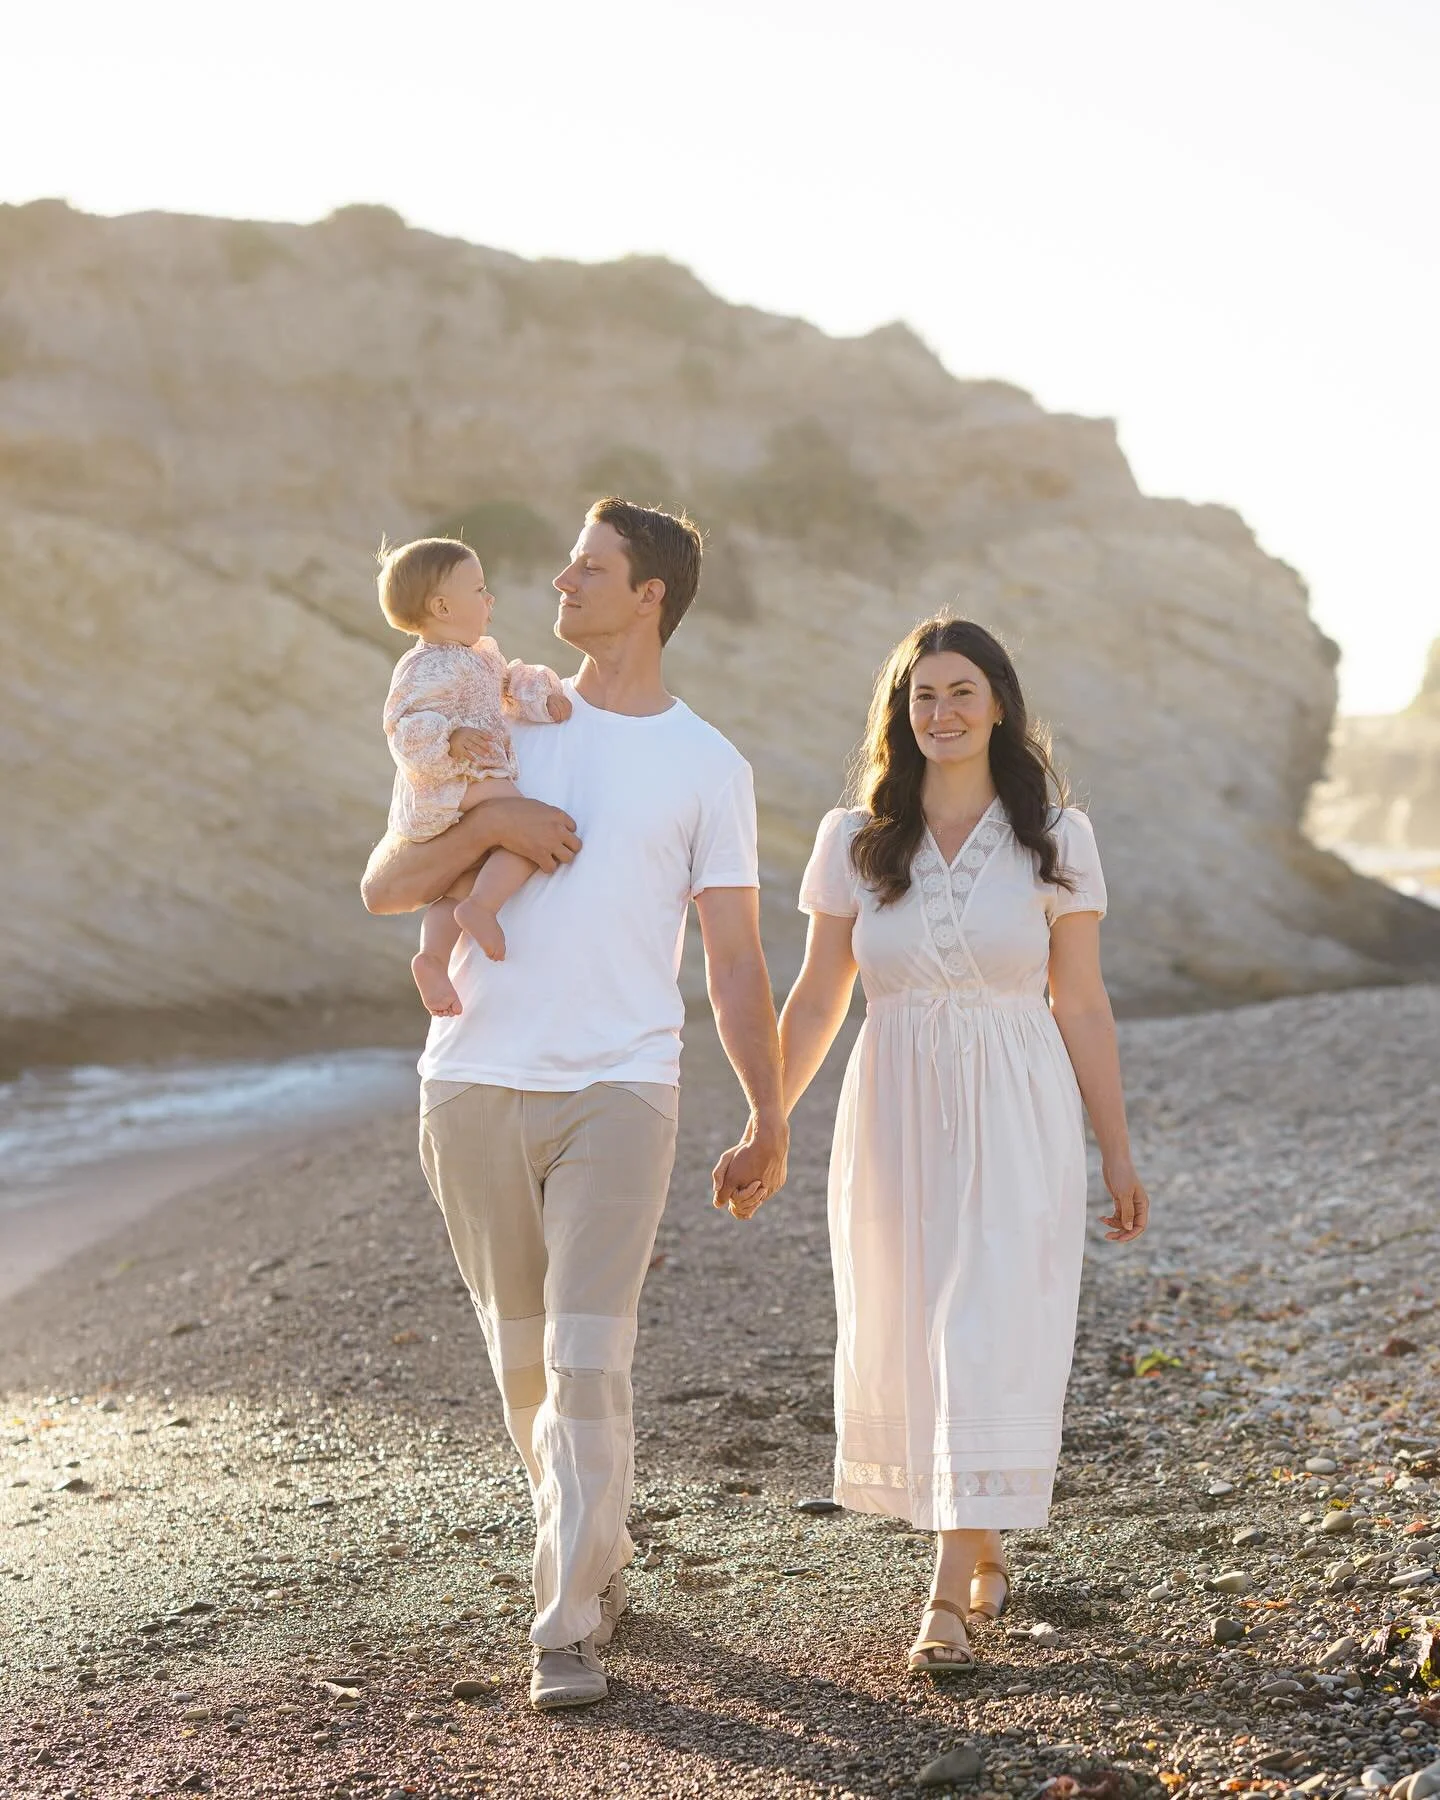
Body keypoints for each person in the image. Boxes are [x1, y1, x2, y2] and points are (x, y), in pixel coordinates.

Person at [361, 498, 788, 1710]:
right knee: (526, 1373)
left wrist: (767, 1114)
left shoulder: (709, 766)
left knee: (586, 1358)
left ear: (650, 594)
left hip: (621, 1084)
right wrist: (496, 820)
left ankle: (564, 1627)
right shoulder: (492, 712)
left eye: (590, 567)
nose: (561, 581)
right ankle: (593, 1556)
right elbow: (387, 883)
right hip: (472, 1081)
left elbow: (737, 960)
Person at [764, 615, 1149, 1676]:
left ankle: (944, 1596)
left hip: (1017, 1104)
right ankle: (976, 1537)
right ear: (901, 713)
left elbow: (1082, 1004)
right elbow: (819, 997)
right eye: (922, 695)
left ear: (999, 705)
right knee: (915, 1324)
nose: (941, 712)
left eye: (961, 691)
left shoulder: (1056, 837)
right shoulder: (856, 839)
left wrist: (1116, 1152)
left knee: (983, 1324)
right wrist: (768, 1118)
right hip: (893, 1105)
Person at [376, 536, 572, 1015]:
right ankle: (482, 908)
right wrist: (450, 737)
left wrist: (542, 698)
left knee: (459, 883)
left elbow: (509, 685)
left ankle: (432, 957)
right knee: (530, 831)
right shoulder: (425, 665)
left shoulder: (481, 656)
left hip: (465, 782)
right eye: (480, 589)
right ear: (442, 607)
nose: (490, 599)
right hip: (451, 782)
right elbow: (402, 725)